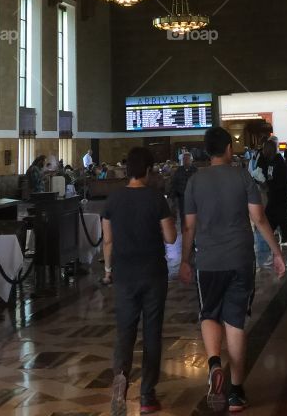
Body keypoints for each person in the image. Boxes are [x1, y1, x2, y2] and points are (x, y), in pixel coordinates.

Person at [179, 126, 286, 413]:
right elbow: (259, 218)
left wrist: (185, 260)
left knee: (209, 314)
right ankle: (236, 392)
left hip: (208, 261)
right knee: (235, 321)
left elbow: (188, 226)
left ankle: (215, 364)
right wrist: (276, 253)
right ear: (228, 149)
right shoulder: (242, 176)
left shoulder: (195, 181)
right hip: (240, 258)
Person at [103, 147, 176, 416]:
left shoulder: (113, 199)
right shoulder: (156, 198)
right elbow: (170, 238)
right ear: (147, 170)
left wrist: (107, 270)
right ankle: (147, 396)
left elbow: (107, 241)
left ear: (127, 169)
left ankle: (121, 379)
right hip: (153, 273)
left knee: (125, 331)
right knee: (152, 333)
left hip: (124, 275)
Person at [259, 140, 287, 249]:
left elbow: (277, 181)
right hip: (277, 197)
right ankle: (282, 251)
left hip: (279, 198)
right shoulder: (271, 161)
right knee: (283, 224)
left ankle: (284, 251)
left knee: (280, 224)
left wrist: (266, 184)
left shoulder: (277, 162)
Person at [169, 151, 197, 224]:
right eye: (184, 159)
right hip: (182, 197)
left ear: (191, 160)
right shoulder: (179, 170)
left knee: (193, 216)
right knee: (183, 216)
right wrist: (172, 197)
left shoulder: (195, 170)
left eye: (187, 159)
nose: (185, 160)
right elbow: (174, 183)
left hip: (193, 198)